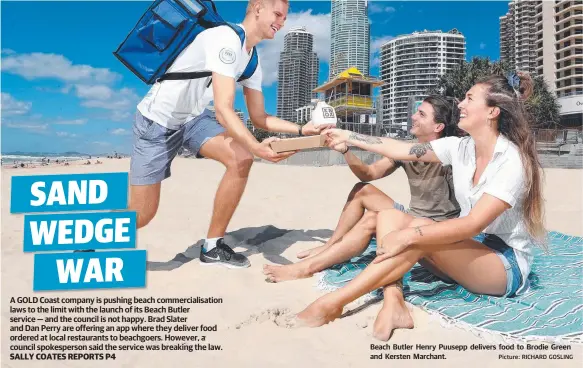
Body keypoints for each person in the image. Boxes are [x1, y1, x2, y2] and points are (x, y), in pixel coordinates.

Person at [295, 72, 546, 341]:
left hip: (504, 265)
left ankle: (334, 302)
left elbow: (473, 224)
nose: (460, 103)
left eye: (469, 98)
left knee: (416, 233)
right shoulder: (459, 147)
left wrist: (408, 235)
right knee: (392, 215)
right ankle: (394, 301)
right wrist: (347, 135)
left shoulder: (511, 161)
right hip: (472, 249)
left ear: (492, 112)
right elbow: (397, 148)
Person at [129, 0, 331, 269]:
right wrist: (259, 147)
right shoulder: (225, 38)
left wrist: (301, 129)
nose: (282, 22)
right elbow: (224, 110)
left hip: (193, 118)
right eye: (278, 14)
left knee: (241, 158)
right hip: (157, 123)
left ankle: (212, 248)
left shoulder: (252, 59)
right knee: (143, 214)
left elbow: (260, 117)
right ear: (258, 7)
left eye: (285, 17)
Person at [263, 96, 461, 286]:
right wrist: (346, 152)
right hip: (412, 216)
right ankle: (331, 245)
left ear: (438, 127)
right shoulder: (405, 150)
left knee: (373, 218)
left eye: (421, 114)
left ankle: (306, 268)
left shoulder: (451, 152)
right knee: (362, 190)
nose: (413, 117)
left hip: (436, 229)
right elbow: (369, 174)